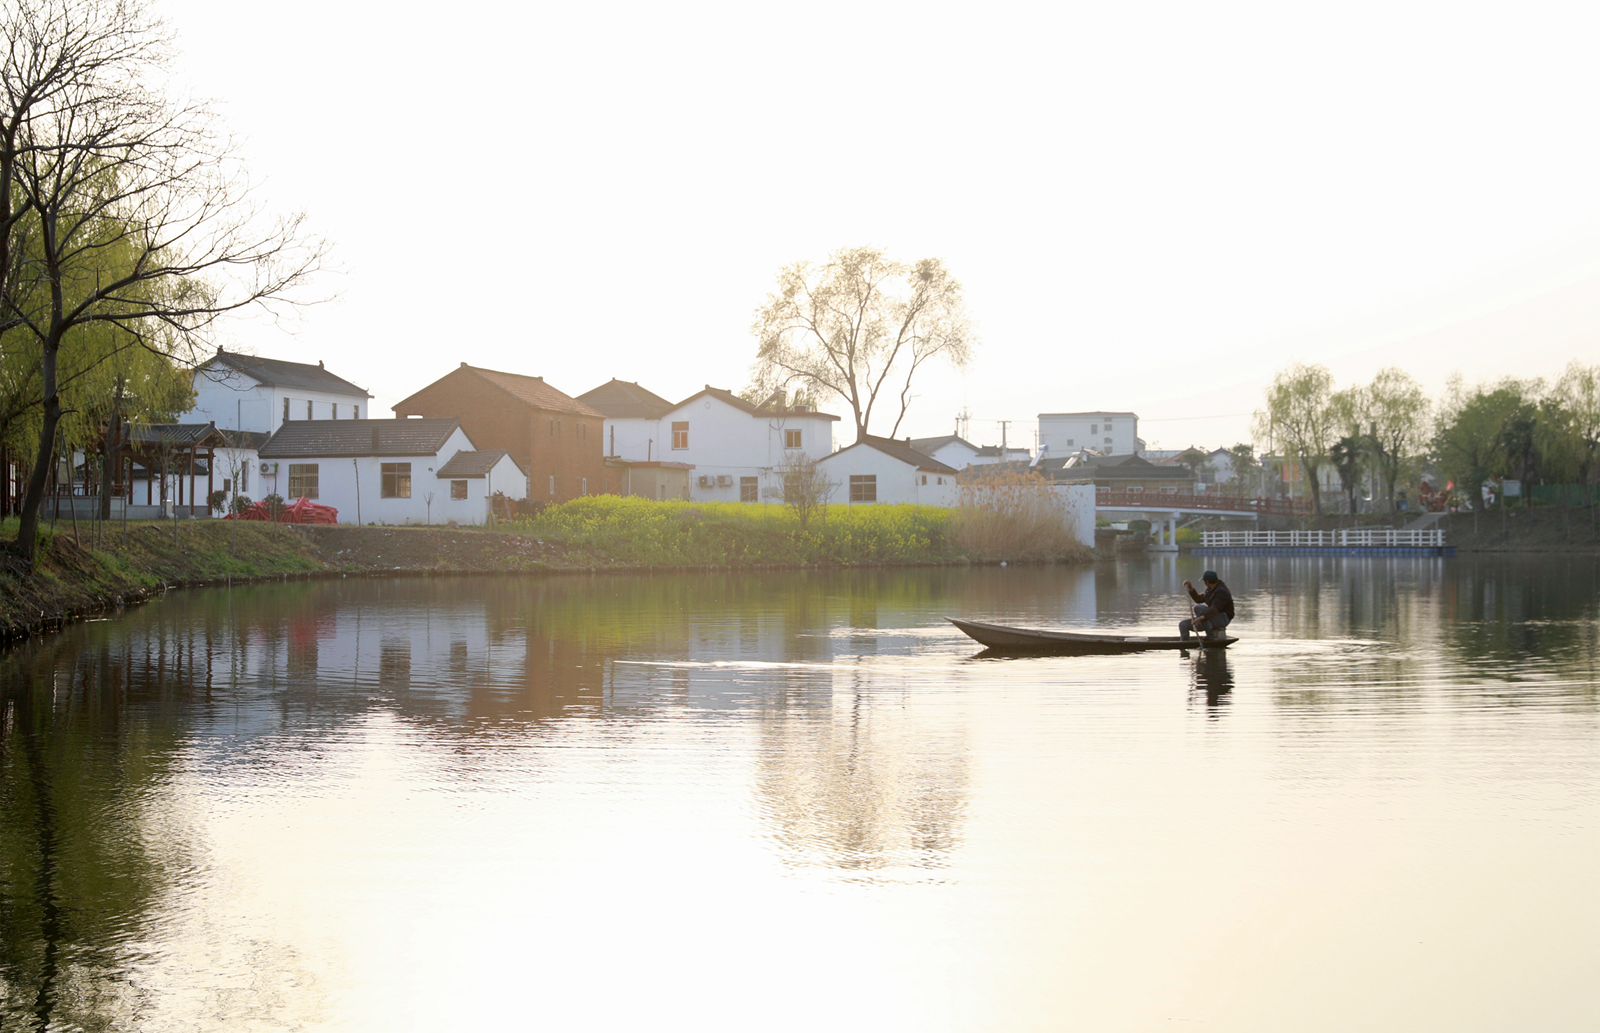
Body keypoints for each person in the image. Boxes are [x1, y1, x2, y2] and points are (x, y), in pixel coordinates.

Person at [1179, 570, 1234, 642]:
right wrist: (1190, 588)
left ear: (1206, 582)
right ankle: (1185, 643)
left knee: (1198, 608)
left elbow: (1214, 610)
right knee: (1183, 624)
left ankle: (1210, 635)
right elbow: (1198, 599)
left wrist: (1199, 619)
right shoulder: (1210, 590)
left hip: (1223, 618)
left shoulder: (1222, 591)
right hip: (1209, 619)